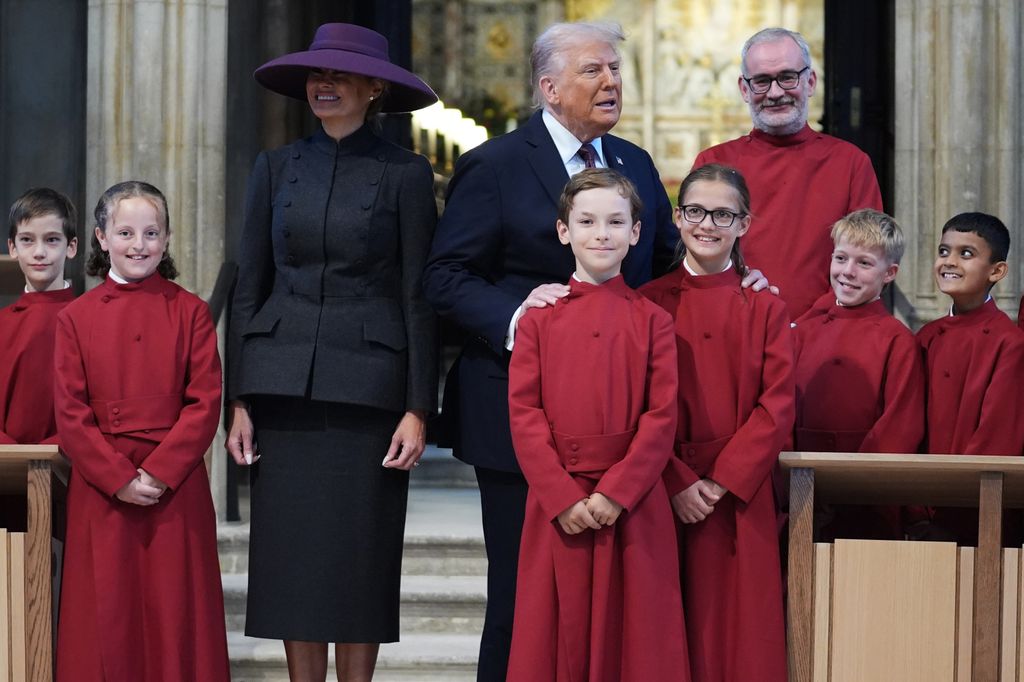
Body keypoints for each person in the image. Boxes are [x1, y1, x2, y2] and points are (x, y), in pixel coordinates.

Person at [422, 22, 769, 680]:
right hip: (514, 416)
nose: (612, 82)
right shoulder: (495, 164)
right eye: (594, 71)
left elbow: (670, 258)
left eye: (615, 69)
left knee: (620, 604)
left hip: (619, 424)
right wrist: (524, 317)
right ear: (549, 87)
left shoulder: (634, 163)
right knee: (522, 603)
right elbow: (445, 277)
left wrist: (735, 270)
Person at [225, 23, 439, 682]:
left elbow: (418, 296)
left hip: (370, 396)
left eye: (338, 75)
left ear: (374, 88)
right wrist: (238, 398)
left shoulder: (406, 174)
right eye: (316, 75)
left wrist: (418, 409)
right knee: (292, 564)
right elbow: (248, 283)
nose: (323, 84)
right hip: (281, 389)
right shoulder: (277, 167)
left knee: (358, 562)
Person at [506, 169, 689, 682]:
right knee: (555, 636)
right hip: (557, 500)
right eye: (586, 221)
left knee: (635, 641)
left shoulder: (654, 320)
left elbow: (661, 416)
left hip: (633, 502)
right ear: (564, 230)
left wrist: (617, 492)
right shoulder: (539, 318)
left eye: (615, 222)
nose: (601, 234)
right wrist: (561, 496)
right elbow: (524, 415)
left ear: (636, 232)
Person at [53, 181, 229, 681]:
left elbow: (204, 403)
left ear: (168, 239)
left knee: (175, 615)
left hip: (174, 490)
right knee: (107, 614)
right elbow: (70, 413)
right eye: (125, 231)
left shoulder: (190, 311)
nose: (139, 244)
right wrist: (120, 478)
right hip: (103, 488)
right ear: (101, 238)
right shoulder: (75, 318)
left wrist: (157, 472)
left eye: (151, 232)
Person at [640, 164, 792, 682]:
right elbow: (639, 407)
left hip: (737, 495)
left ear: (744, 224)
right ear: (678, 218)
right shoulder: (647, 302)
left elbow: (776, 406)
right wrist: (679, 481)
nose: (708, 223)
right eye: (696, 211)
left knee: (738, 635)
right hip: (662, 488)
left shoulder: (766, 307)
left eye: (723, 213)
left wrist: (720, 482)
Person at [693, 27, 883, 319]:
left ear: (810, 81)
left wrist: (810, 325)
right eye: (762, 81)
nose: (775, 92)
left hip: (826, 332)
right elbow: (695, 257)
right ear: (745, 89)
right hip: (735, 325)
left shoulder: (851, 163)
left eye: (787, 77)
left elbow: (867, 263)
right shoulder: (714, 162)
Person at [792, 209, 925, 539]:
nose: (847, 272)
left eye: (864, 263)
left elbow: (899, 426)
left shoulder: (897, 340)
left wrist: (849, 487)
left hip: (867, 498)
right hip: (798, 488)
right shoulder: (801, 331)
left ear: (889, 272)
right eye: (841, 258)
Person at [916, 212, 1024, 544]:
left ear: (997, 270)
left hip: (976, 509)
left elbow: (998, 436)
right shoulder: (926, 337)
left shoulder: (1010, 342)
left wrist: (955, 501)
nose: (949, 262)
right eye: (944, 250)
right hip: (921, 502)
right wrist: (915, 505)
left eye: (966, 253)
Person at [0, 188, 78, 445]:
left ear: (71, 247)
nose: (39, 252)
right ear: (12, 247)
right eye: (27, 240)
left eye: (52, 239)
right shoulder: (3, 324)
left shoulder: (90, 320)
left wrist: (48, 453)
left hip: (74, 467)